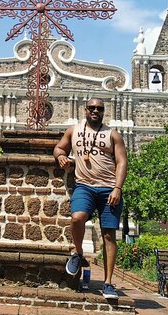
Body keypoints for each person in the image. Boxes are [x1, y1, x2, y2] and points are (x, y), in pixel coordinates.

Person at [53, 97, 128, 299]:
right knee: (77, 218)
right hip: (84, 185)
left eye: (99, 108)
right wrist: (60, 155)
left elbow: (122, 162)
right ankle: (78, 254)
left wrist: (117, 188)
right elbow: (59, 148)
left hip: (108, 189)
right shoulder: (74, 130)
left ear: (104, 111)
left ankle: (108, 283)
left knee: (108, 235)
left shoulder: (113, 135)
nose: (95, 111)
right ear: (85, 109)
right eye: (92, 108)